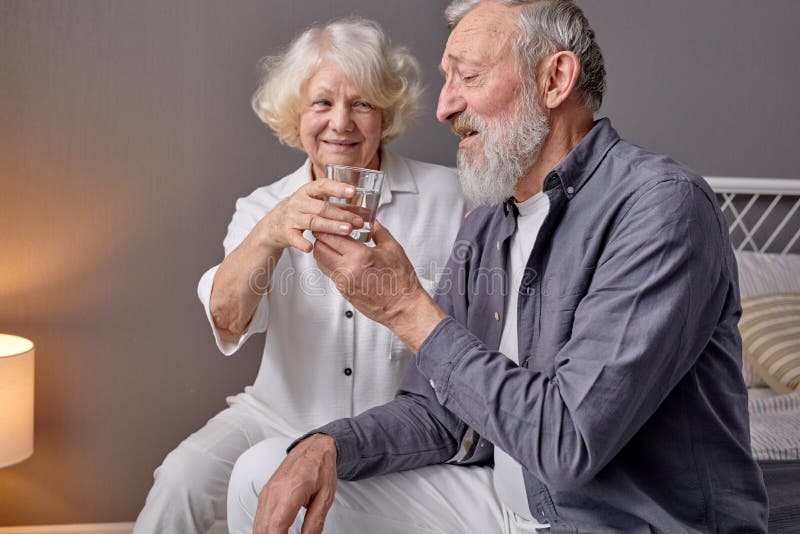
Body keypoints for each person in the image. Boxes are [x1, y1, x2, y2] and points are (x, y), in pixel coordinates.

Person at [227, 0, 770, 533]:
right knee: (267, 472)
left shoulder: (660, 207)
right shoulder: (490, 220)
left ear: (555, 80)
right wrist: (328, 445)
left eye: (468, 76)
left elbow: (568, 445)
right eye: (447, 79)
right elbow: (439, 413)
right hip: (502, 503)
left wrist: (406, 308)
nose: (443, 107)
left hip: (607, 521)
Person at [132, 19, 467, 534]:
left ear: (385, 114)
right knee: (180, 479)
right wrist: (271, 231)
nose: (341, 122)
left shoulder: (452, 197)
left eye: (362, 103)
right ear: (296, 114)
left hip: (389, 431)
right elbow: (227, 318)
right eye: (322, 103)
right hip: (276, 415)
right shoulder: (262, 207)